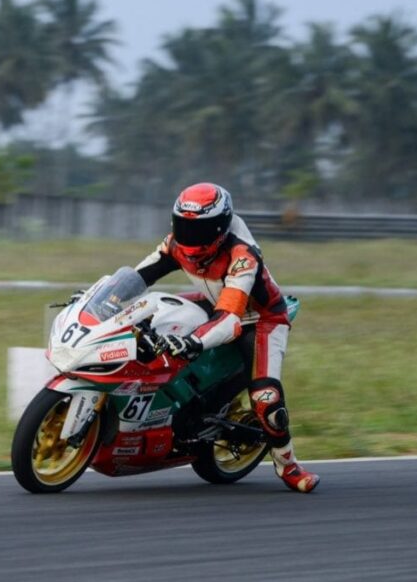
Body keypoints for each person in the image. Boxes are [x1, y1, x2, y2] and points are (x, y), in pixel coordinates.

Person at [135, 182, 319, 493]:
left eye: (199, 230)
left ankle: (288, 465)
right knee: (151, 316)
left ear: (220, 228)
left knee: (266, 398)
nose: (189, 238)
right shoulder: (176, 243)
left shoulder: (242, 255)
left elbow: (230, 319)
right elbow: (138, 276)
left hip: (259, 318)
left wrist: (194, 341)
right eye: (183, 227)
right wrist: (101, 297)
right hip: (215, 301)